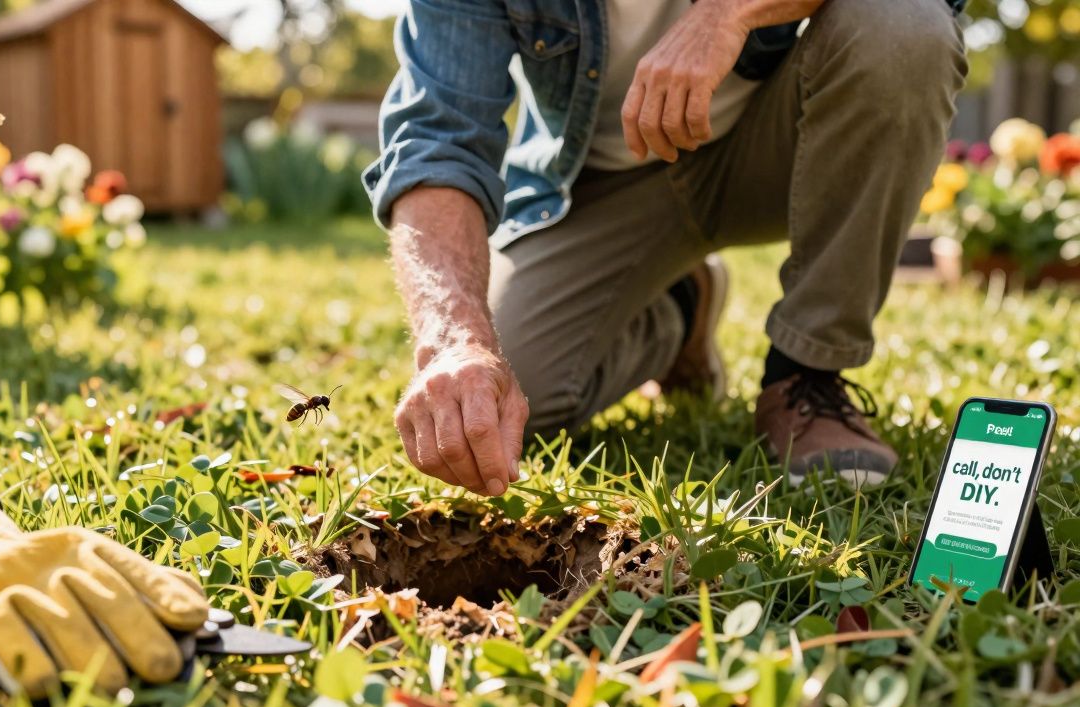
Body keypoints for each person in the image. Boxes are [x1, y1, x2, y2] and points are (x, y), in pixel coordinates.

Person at [364, 0, 967, 496]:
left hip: (773, 148)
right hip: (605, 185)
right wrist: (455, 343)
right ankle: (680, 307)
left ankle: (806, 376)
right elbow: (437, 140)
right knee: (516, 396)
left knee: (904, 26)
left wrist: (725, 16)